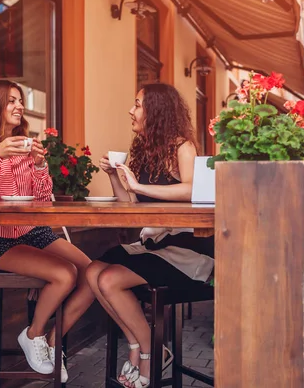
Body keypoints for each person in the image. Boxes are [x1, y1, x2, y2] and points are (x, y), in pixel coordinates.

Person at [0, 80, 94, 380]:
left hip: (34, 231)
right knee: (65, 273)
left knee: (92, 273)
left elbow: (41, 204)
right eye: (12, 100)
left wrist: (40, 166)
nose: (20, 106)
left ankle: (52, 342)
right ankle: (33, 334)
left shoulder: (25, 145)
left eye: (21, 100)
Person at [85, 83, 214, 388]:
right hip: (152, 244)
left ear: (156, 110)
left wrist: (140, 187)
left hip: (186, 250)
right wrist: (115, 176)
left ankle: (148, 353)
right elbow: (129, 203)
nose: (131, 110)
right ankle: (144, 347)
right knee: (92, 272)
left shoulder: (182, 146)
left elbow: (191, 189)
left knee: (109, 279)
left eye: (138, 104)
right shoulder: (142, 150)